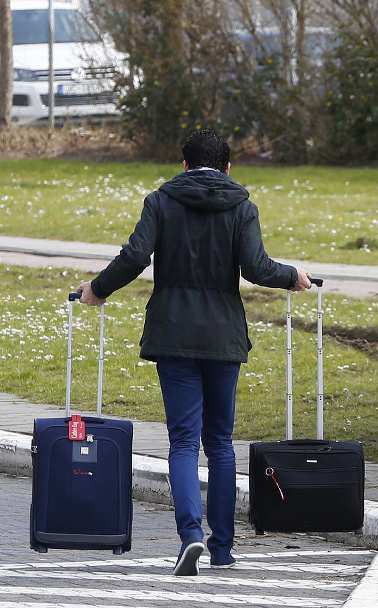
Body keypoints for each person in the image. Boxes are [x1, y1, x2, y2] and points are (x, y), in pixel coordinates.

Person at [77, 129, 313, 575]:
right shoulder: (242, 206)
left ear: (184, 165)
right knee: (220, 443)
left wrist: (98, 288)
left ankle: (191, 537)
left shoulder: (161, 200)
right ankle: (223, 549)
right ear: (228, 168)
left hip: (173, 335)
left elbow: (135, 256)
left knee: (183, 442)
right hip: (223, 338)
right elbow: (256, 267)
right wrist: (292, 275)